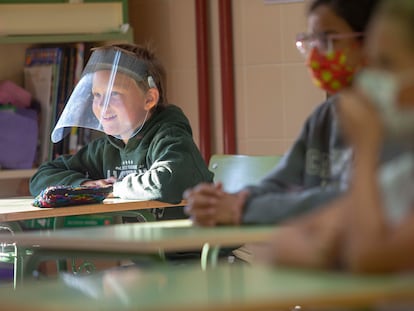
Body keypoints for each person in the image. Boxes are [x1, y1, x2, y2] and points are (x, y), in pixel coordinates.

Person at [184, 0, 381, 226]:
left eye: (328, 40)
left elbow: (352, 203)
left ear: (370, 42)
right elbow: (280, 183)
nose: (315, 55)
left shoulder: (396, 119)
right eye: (310, 41)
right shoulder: (324, 117)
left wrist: (243, 209)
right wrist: (226, 201)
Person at [261, 0, 414, 273]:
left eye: (386, 64)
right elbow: (283, 243)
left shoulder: (376, 153)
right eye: (371, 61)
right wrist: (327, 249)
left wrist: (365, 150)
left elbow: (367, 256)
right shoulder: (400, 173)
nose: (370, 78)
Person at [29, 43, 213, 220]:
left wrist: (113, 189)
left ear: (149, 98)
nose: (102, 105)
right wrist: (85, 186)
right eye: (97, 95)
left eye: (113, 94)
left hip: (185, 248)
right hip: (142, 247)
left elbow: (167, 182)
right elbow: (41, 177)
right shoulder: (107, 147)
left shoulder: (171, 137)